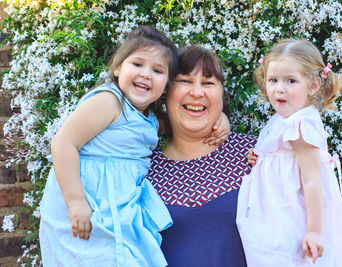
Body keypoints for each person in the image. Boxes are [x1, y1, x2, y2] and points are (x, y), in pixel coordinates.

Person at [39, 27, 228, 267]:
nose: (146, 74)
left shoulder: (147, 119)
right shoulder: (109, 102)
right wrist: (75, 201)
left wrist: (220, 119)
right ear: (118, 66)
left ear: (166, 85)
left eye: (157, 70)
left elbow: (185, 119)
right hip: (86, 199)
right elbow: (64, 142)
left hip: (117, 207)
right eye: (137, 64)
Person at [236, 39, 342, 266]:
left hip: (292, 213)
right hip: (277, 211)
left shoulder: (301, 125)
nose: (279, 88)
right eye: (273, 80)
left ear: (312, 86)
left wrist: (314, 231)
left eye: (290, 81)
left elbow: (312, 180)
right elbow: (282, 157)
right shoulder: (285, 118)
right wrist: (261, 159)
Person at [146, 45, 258, 266]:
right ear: (165, 91)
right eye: (185, 81)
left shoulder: (255, 154)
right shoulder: (141, 171)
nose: (197, 92)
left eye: (208, 83)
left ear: (221, 95)